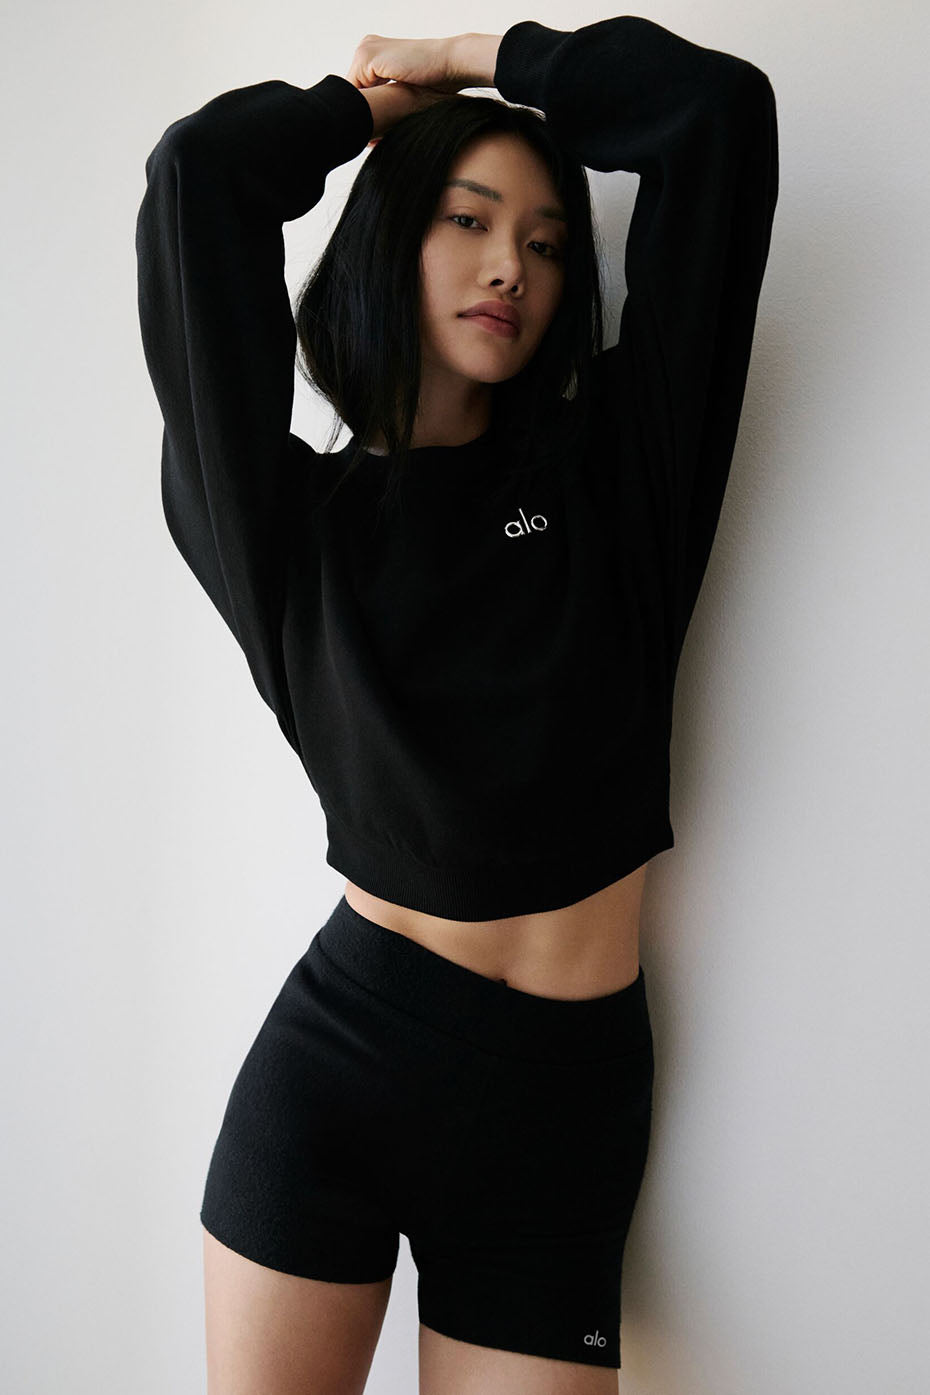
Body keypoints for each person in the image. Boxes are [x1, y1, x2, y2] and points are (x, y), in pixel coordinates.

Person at [135, 17, 778, 1394]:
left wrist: (472, 54)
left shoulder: (622, 475)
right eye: (468, 219)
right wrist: (362, 111)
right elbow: (199, 178)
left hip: (564, 1109)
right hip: (343, 1068)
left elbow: (716, 115)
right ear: (392, 239)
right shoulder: (290, 533)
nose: (511, 267)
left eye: (546, 243)